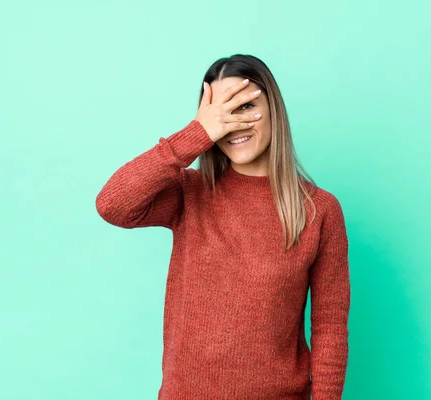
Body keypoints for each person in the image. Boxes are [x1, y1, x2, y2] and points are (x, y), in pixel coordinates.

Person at [95, 54, 350, 400]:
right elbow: (112, 205)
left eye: (244, 106)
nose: (233, 124)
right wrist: (196, 134)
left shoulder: (319, 210)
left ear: (274, 108)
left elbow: (329, 330)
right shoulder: (191, 192)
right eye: (220, 113)